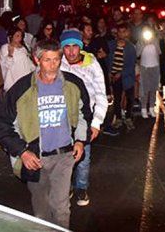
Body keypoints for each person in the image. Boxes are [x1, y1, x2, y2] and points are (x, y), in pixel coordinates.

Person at [0, 39, 92, 229]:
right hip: (36, 158)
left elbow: (83, 114)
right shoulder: (22, 88)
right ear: (36, 60)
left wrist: (80, 140)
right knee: (41, 211)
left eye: (56, 59)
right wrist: (22, 151)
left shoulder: (72, 84)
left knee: (62, 208)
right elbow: (1, 123)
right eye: (47, 60)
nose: (53, 65)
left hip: (64, 156)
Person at [60, 29, 107, 207]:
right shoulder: (58, 63)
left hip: (85, 118)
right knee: (63, 156)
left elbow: (101, 95)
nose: (71, 51)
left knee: (83, 156)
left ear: (81, 47)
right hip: (63, 117)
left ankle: (81, 186)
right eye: (67, 47)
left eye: (75, 47)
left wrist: (96, 123)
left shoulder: (92, 64)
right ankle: (65, 186)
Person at [107, 24, 137, 131]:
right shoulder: (111, 45)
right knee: (117, 98)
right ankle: (118, 118)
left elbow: (131, 64)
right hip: (115, 77)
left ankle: (128, 117)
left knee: (130, 98)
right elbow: (108, 60)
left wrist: (121, 73)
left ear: (127, 33)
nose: (122, 34)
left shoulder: (130, 47)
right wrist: (110, 72)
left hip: (127, 76)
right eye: (120, 32)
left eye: (124, 31)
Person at [0, 26, 36, 93]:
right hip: (12, 81)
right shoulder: (5, 48)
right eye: (17, 36)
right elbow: (5, 66)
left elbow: (28, 62)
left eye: (21, 36)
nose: (20, 38)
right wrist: (10, 55)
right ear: (11, 36)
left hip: (24, 79)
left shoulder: (23, 48)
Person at [137, 23, 161, 119]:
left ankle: (151, 107)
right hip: (144, 67)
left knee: (153, 88)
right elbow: (137, 54)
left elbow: (159, 52)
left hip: (155, 67)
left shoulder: (155, 40)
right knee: (144, 89)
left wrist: (153, 42)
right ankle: (143, 108)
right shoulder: (140, 41)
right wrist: (144, 44)